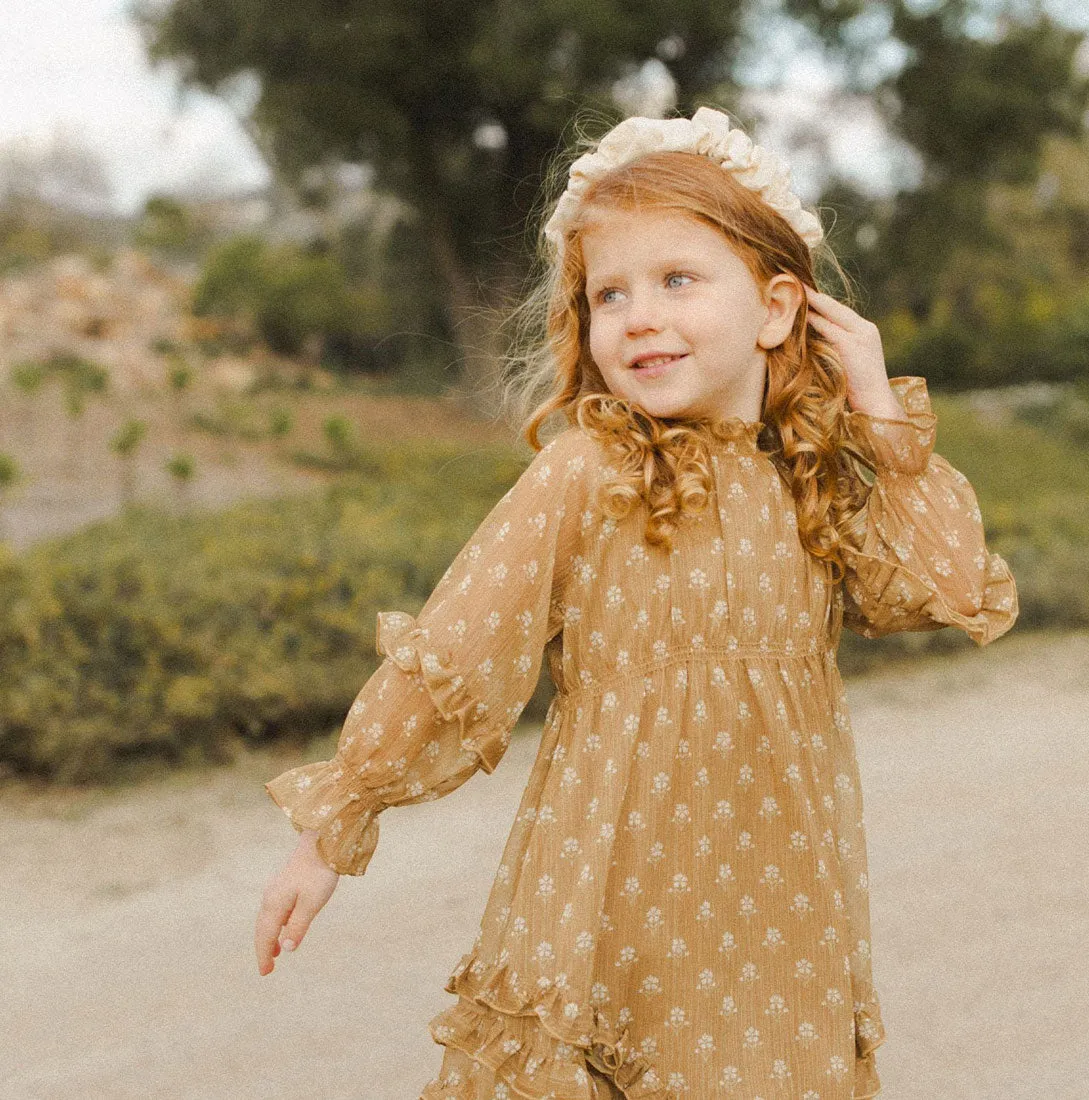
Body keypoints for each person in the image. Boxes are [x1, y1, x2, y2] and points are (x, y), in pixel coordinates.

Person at [255, 106, 1019, 1099]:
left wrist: (877, 414)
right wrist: (335, 825)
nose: (638, 315)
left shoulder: (806, 479)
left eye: (677, 279)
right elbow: (458, 649)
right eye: (606, 292)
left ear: (779, 309)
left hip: (780, 909)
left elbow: (951, 587)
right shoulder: (588, 473)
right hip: (611, 905)